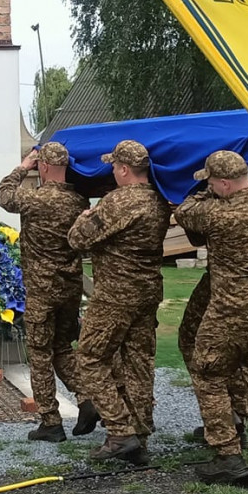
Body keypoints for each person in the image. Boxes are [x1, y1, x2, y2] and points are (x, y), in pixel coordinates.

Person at [175, 151, 248, 488]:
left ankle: (227, 454)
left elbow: (184, 212)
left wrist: (205, 194)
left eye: (211, 181)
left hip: (229, 313)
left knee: (207, 374)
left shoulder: (216, 213)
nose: (207, 185)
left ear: (223, 183)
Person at [68, 140, 171, 462]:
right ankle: (139, 437)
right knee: (139, 363)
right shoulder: (158, 200)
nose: (112, 170)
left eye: (114, 165)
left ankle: (119, 430)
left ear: (124, 169)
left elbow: (77, 239)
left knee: (90, 358)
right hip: (147, 291)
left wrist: (86, 217)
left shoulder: (117, 202)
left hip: (115, 295)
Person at [0, 142, 99, 442]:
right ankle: (88, 398)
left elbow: (4, 196)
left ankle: (50, 422)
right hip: (69, 288)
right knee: (62, 347)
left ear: (42, 166)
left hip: (42, 290)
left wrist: (21, 167)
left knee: (40, 353)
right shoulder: (79, 200)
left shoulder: (35, 199)